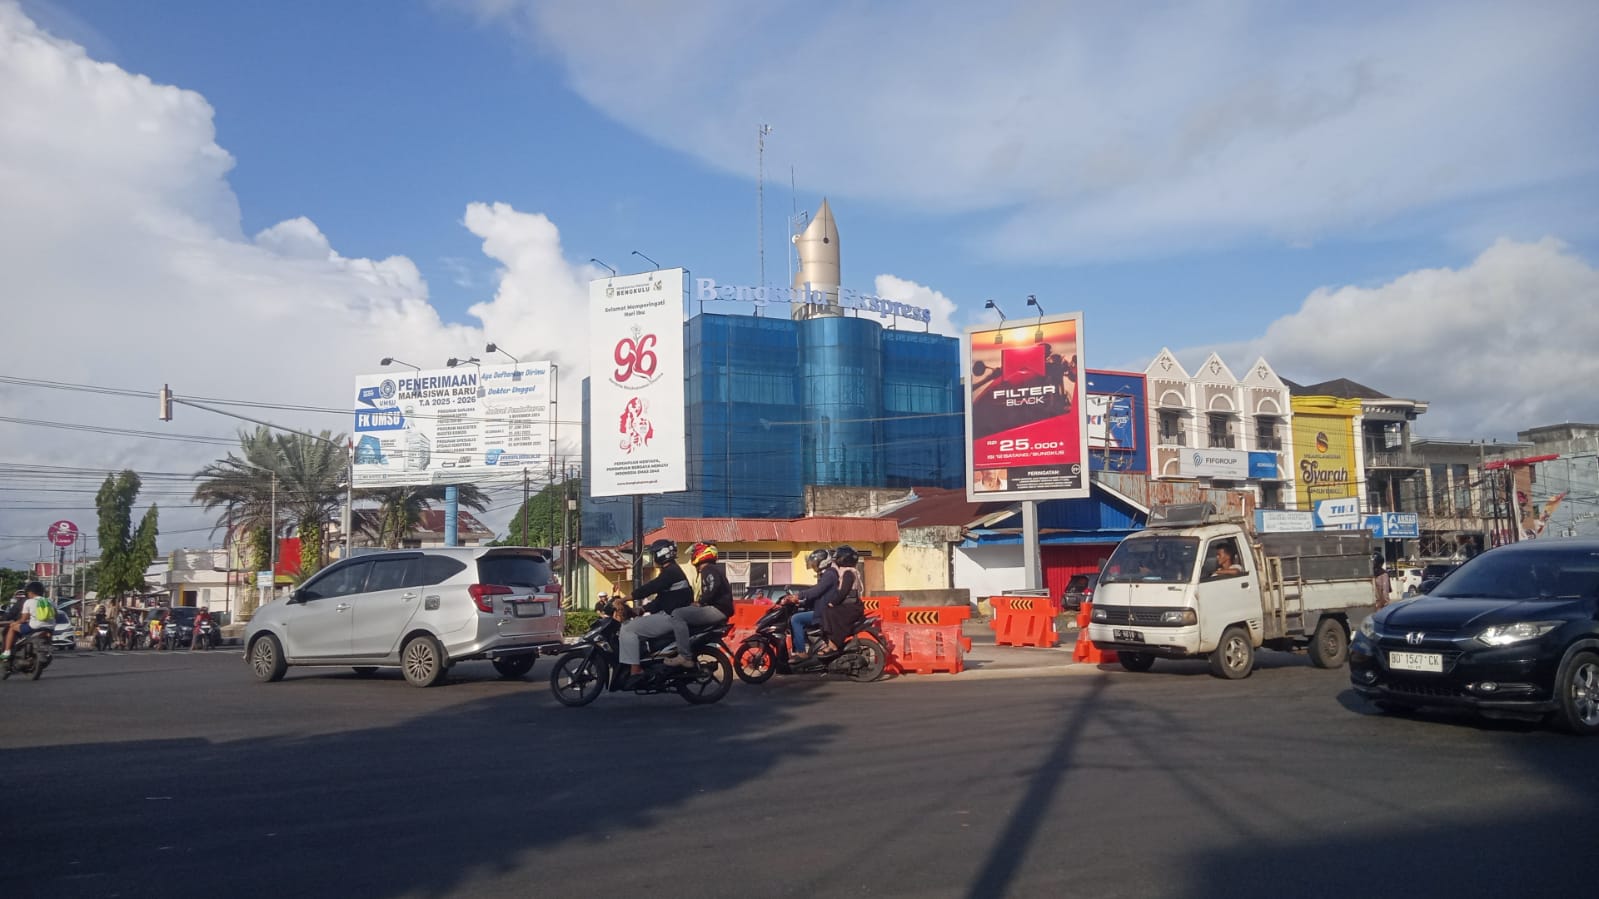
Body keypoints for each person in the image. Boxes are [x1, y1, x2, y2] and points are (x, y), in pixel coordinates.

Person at [618, 539, 696, 684]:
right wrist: (642, 609)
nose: (653, 558)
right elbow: (661, 599)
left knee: (628, 628)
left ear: (661, 554)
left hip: (671, 617)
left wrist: (624, 599)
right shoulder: (671, 571)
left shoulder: (671, 572)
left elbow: (650, 588)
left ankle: (636, 670)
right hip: (669, 615)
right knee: (635, 625)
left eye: (654, 554)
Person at [668, 542, 733, 669]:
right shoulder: (712, 569)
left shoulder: (708, 569)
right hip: (721, 609)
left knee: (677, 614)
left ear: (702, 554)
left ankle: (684, 656)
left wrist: (701, 602)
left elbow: (713, 586)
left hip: (718, 609)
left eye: (694, 553)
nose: (692, 555)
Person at [788, 548, 841, 661]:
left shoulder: (830, 574)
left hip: (824, 612)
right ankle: (810, 644)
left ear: (823, 562)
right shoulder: (826, 574)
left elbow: (817, 591)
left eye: (815, 563)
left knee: (796, 619)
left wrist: (799, 595)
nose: (814, 565)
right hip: (822, 609)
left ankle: (801, 652)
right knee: (798, 613)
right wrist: (801, 602)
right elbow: (817, 594)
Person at [822, 544, 866, 649]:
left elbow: (843, 592)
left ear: (845, 558)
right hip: (851, 605)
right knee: (827, 612)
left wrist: (833, 602)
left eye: (839, 556)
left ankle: (834, 644)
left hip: (852, 606)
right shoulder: (847, 572)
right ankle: (830, 642)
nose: (837, 558)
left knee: (830, 613)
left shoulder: (848, 573)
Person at [2, 581, 56, 661]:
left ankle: (6, 652)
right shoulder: (50, 601)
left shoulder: (29, 601)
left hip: (34, 627)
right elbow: (56, 614)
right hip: (50, 627)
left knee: (12, 627)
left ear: (30, 592)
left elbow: (23, 619)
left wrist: (15, 623)